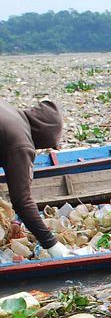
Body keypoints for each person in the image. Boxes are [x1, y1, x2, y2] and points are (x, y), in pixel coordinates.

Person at [0, 99, 72, 257]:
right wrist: (50, 243)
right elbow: (22, 201)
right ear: (43, 136)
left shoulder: (11, 112)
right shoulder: (21, 143)